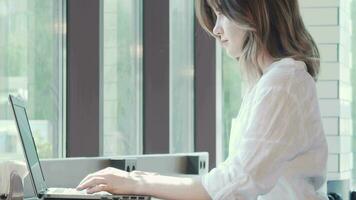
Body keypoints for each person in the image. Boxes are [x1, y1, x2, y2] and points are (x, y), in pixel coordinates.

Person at [76, 0, 328, 199]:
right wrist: (139, 181)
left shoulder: (282, 83)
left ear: (251, 13)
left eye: (221, 13)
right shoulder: (267, 83)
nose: (216, 29)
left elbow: (235, 182)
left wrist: (137, 182)